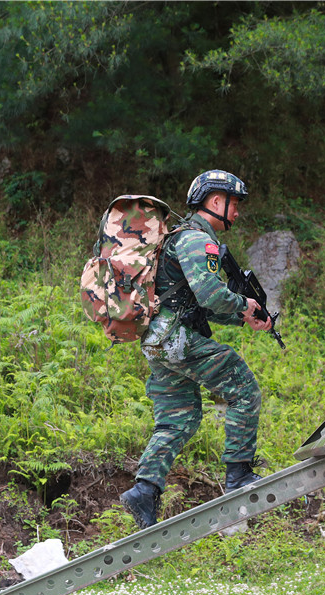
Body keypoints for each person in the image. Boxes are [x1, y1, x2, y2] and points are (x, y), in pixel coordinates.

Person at [119, 170, 272, 529]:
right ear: (216, 201)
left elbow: (194, 304)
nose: (237, 212)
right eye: (235, 204)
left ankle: (144, 491)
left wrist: (241, 318)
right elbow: (211, 295)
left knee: (178, 418)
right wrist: (245, 306)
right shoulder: (196, 241)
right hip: (174, 339)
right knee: (243, 388)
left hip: (159, 342)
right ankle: (238, 474)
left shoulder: (181, 239)